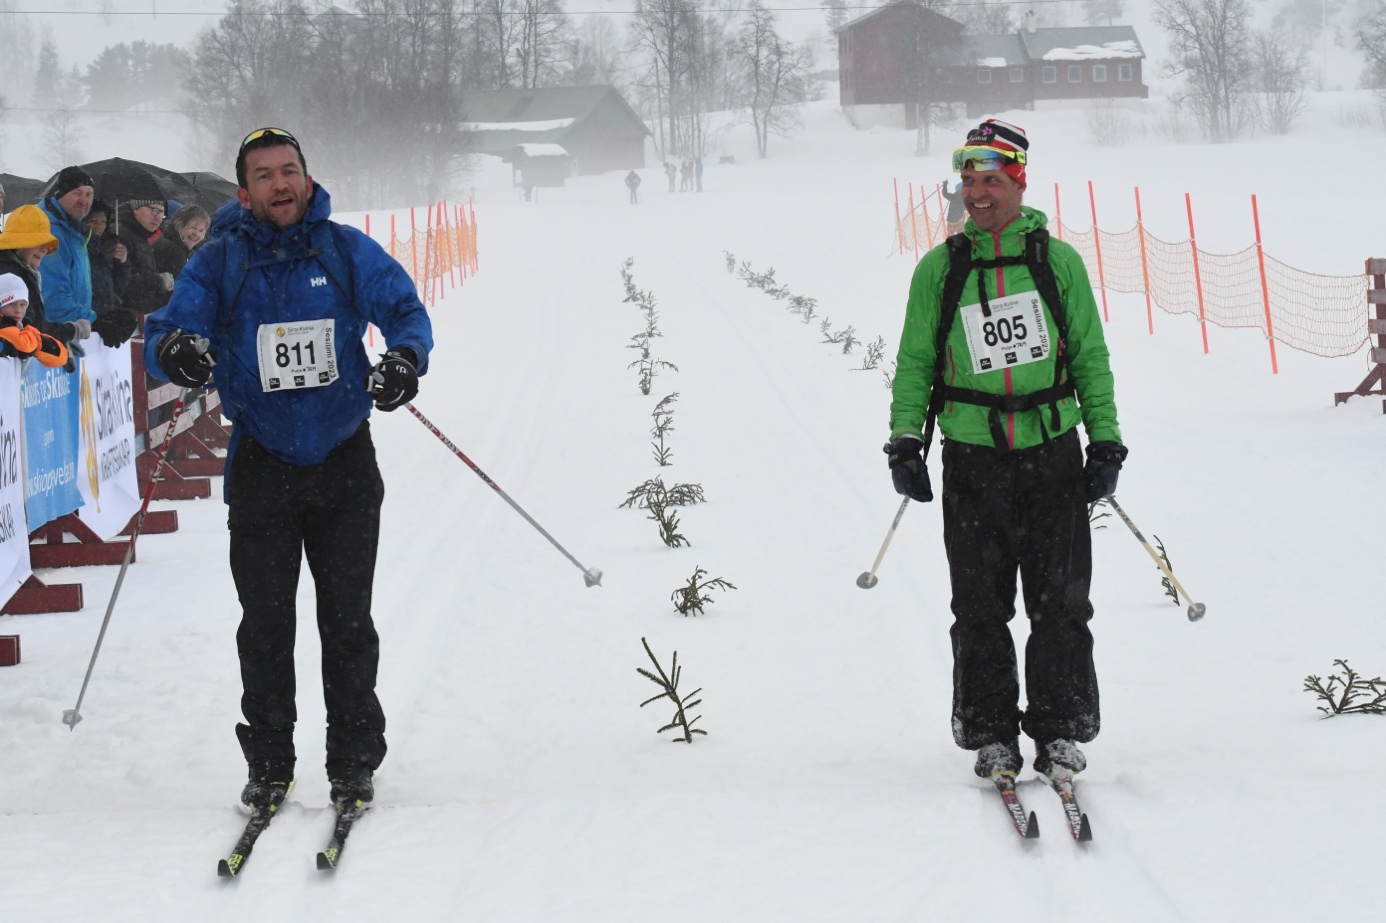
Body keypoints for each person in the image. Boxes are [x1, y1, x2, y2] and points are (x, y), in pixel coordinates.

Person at [143, 127, 434, 815]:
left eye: (290, 170)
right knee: (266, 626)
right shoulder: (220, 261)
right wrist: (179, 350)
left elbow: (405, 312)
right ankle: (270, 764)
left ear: (308, 178)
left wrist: (403, 361)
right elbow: (165, 332)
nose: (281, 184)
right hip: (263, 463)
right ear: (244, 192)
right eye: (265, 175)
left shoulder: (343, 249)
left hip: (343, 461)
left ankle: (354, 760)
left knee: (347, 621)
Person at [885, 119, 1126, 788]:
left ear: (1018, 182)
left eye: (991, 180)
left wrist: (1104, 438)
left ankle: (1057, 727)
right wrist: (906, 438)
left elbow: (1089, 356)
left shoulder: (1056, 262)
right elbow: (915, 362)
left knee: (1061, 601)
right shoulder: (942, 268)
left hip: (1051, 452)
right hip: (973, 458)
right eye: (968, 180)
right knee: (981, 603)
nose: (977, 194)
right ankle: (991, 731)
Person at [0, 204, 91, 364]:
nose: (45, 250)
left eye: (47, 243)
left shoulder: (19, 269)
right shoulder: (13, 275)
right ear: (20, 243)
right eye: (39, 242)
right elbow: (32, 328)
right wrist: (70, 331)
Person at [117, 197, 177, 315]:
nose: (159, 217)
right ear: (136, 209)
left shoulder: (140, 236)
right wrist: (159, 281)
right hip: (120, 316)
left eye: (162, 212)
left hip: (135, 316)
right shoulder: (120, 234)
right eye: (154, 210)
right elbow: (120, 280)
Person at [0, 272, 69, 367]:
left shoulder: (25, 327)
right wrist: (35, 341)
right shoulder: (4, 327)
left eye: (22, 305)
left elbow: (61, 357)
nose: (18, 310)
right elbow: (25, 345)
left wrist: (37, 341)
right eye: (10, 304)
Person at [86, 201, 131, 316]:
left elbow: (119, 286)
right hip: (88, 312)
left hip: (107, 310)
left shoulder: (111, 245)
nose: (99, 226)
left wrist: (123, 262)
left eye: (103, 222)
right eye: (93, 221)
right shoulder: (80, 246)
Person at [152, 204, 209, 280]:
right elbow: (181, 287)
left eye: (201, 231)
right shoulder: (174, 250)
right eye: (193, 227)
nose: (196, 234)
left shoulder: (170, 241)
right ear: (180, 224)